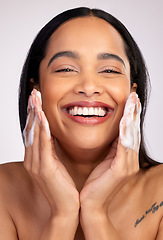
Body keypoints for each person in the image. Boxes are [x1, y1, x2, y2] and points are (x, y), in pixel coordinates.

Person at [0, 7, 162, 240]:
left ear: (132, 93)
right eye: (66, 69)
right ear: (36, 89)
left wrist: (95, 213)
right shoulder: (3, 189)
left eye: (109, 70)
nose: (88, 86)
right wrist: (62, 215)